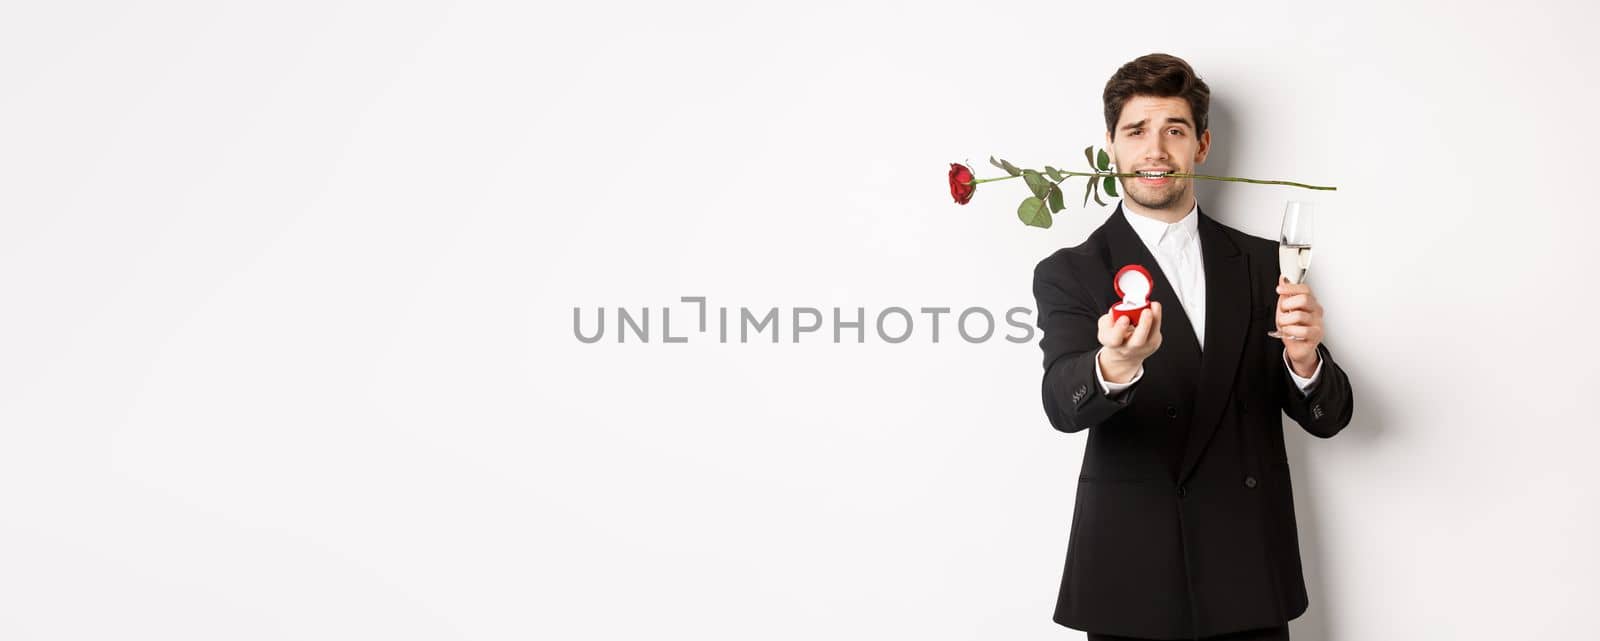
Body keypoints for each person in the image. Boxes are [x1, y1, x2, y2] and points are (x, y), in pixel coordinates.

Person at [1031, 53, 1355, 640]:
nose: (1155, 150)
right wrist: (1114, 365)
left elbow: (1329, 418)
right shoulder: (1071, 271)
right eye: (1136, 131)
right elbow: (1061, 402)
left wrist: (1305, 361)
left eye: (1174, 131)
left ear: (1201, 146)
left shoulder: (1262, 263)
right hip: (1130, 576)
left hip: (1248, 571)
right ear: (1111, 146)